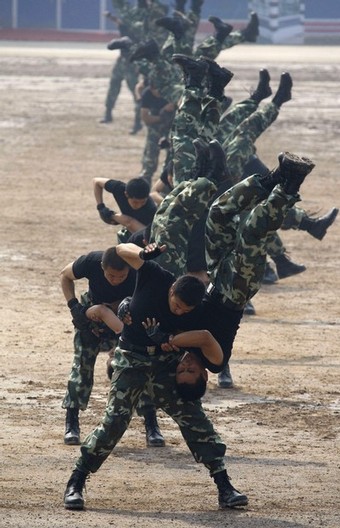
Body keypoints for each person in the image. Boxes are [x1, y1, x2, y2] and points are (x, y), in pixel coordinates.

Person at [64, 245, 249, 513]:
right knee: (114, 422)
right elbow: (119, 250)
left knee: (193, 417)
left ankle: (224, 486)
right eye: (177, 306)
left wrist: (172, 339)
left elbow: (209, 339)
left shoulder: (194, 309)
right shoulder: (156, 276)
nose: (180, 312)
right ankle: (76, 482)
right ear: (171, 290)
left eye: (186, 310)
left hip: (165, 365)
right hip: (131, 361)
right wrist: (142, 254)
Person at [60, 246, 165, 448]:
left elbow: (150, 301)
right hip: (93, 315)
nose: (115, 280)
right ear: (102, 267)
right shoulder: (91, 262)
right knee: (82, 364)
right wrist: (74, 307)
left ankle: (152, 424)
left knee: (139, 365)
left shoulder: (139, 271)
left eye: (121, 276)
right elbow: (65, 275)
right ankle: (71, 422)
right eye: (110, 275)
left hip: (128, 316)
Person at [94, 176, 157, 242]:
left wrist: (112, 216)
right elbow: (97, 181)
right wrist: (100, 206)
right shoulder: (119, 188)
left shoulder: (151, 209)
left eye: (143, 202)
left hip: (145, 236)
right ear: (126, 194)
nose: (139, 205)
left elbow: (130, 223)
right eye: (135, 202)